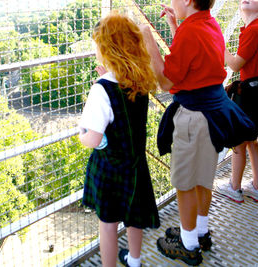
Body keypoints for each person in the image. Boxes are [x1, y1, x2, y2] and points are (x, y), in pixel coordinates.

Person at [140, 0, 255, 265]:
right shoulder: (207, 23)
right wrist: (174, 26)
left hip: (193, 118)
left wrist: (147, 38)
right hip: (212, 115)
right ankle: (200, 232)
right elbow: (191, 56)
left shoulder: (192, 30)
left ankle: (188, 245)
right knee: (203, 178)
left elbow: (166, 81)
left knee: (185, 183)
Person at [78, 12, 160, 267]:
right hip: (136, 166)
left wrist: (82, 135)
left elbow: (93, 138)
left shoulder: (101, 88)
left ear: (107, 49)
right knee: (135, 218)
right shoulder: (141, 79)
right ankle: (134, 261)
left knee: (108, 224)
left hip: (110, 169)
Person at [216, 0, 258, 205]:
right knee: (251, 141)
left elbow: (234, 64)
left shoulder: (253, 30)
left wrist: (220, 45)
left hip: (250, 94)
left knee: (238, 142)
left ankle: (234, 188)